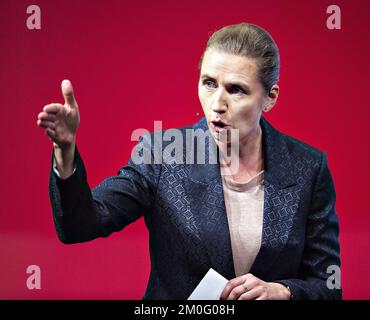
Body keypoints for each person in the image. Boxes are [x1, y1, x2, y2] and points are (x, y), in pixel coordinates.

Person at [36, 23, 341, 300]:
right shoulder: (162, 154)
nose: (217, 104)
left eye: (235, 90)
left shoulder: (308, 167)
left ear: (270, 97)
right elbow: (80, 225)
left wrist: (284, 291)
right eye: (209, 83)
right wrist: (65, 150)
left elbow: (329, 285)